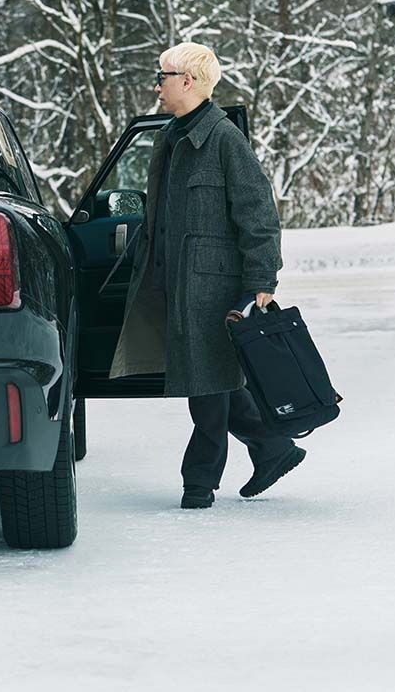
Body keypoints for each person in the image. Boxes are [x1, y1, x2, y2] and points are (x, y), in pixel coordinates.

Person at [108, 42, 306, 509]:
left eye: (163, 76)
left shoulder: (223, 139)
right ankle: (272, 448)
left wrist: (262, 280)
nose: (157, 86)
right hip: (177, 284)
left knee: (205, 384)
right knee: (212, 378)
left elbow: (259, 215)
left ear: (188, 81)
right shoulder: (171, 137)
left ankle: (199, 482)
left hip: (214, 287)